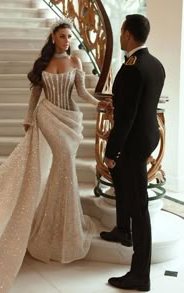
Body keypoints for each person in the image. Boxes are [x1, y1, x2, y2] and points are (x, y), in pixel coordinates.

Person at [0, 18, 106, 292]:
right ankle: (56, 228)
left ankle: (61, 226)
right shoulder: (42, 63)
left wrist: (100, 102)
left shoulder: (76, 62)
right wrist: (29, 120)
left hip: (68, 119)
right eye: (63, 36)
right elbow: (35, 97)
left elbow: (81, 93)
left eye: (69, 36)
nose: (67, 40)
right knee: (63, 166)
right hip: (47, 117)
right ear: (53, 37)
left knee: (63, 167)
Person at [100, 14, 165, 292]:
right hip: (148, 135)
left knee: (139, 207)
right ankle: (122, 231)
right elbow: (138, 104)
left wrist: (111, 150)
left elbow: (126, 118)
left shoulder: (131, 68)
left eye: (122, 31)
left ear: (127, 34)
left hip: (133, 143)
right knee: (122, 183)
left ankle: (140, 275)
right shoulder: (155, 64)